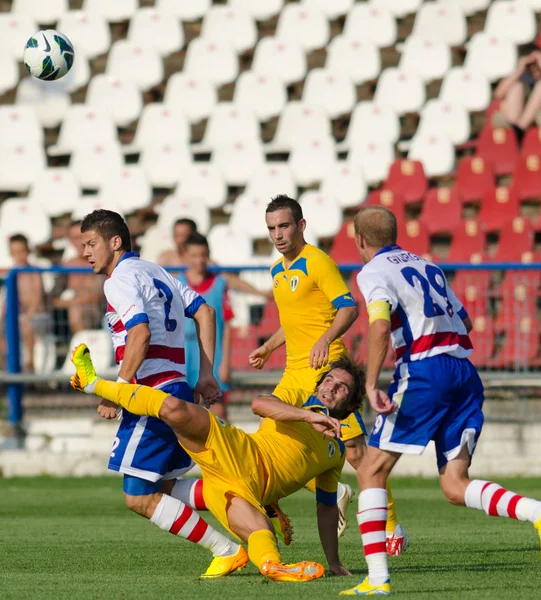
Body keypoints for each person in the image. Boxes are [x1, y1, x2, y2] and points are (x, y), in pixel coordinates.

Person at [341, 206, 541, 596]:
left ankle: (376, 580)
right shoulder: (429, 266)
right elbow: (466, 323)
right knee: (453, 485)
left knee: (370, 468)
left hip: (426, 374)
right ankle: (539, 512)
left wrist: (372, 382)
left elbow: (379, 325)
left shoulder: (374, 271)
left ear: (359, 239)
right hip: (463, 372)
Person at [71, 344, 362, 581]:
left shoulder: (335, 454)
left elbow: (325, 507)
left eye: (342, 388)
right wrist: (309, 415)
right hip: (236, 449)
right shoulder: (300, 401)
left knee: (261, 532)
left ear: (350, 406)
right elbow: (260, 404)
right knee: (173, 408)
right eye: (328, 380)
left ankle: (274, 568)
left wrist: (334, 562)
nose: (331, 388)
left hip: (241, 490)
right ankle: (93, 383)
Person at [78, 209, 242, 578]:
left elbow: (139, 334)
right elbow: (206, 312)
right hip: (179, 388)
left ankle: (226, 549)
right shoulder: (157, 271)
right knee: (165, 486)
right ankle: (243, 493)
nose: (85, 253)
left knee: (138, 496)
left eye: (91, 244)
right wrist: (205, 374)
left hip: (152, 397)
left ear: (115, 242)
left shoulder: (118, 280)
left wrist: (116, 392)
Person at [248, 195, 408, 554]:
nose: (278, 234)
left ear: (301, 226)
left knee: (357, 455)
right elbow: (294, 322)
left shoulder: (317, 262)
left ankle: (392, 528)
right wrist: (270, 346)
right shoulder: (277, 271)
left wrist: (325, 339)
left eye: (284, 226)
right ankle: (328, 493)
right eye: (272, 228)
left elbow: (349, 309)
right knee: (266, 442)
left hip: (328, 374)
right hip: (293, 373)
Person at [176, 233, 232, 421]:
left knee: (219, 412)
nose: (199, 260)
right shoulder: (176, 284)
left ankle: (227, 450)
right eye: (194, 255)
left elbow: (228, 326)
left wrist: (225, 362)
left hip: (212, 359)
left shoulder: (219, 284)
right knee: (187, 413)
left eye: (203, 255)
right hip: (185, 358)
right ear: (186, 256)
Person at [157, 218, 272, 301]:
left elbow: (231, 281)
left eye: (184, 236)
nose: (180, 240)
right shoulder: (166, 258)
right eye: (177, 235)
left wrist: (259, 293)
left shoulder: (206, 263)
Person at [0, 234, 51, 372]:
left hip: (39, 316)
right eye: (15, 252)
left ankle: (30, 365)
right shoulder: (12, 274)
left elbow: (37, 296)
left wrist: (28, 317)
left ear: (28, 251)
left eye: (22, 251)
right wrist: (0, 320)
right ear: (11, 254)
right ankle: (12, 358)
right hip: (24, 316)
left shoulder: (34, 271)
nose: (19, 255)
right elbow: (7, 300)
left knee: (26, 326)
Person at [493, 45, 541, 141]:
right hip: (521, 115)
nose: (533, 68)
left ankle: (518, 130)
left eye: (535, 63)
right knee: (516, 86)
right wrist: (519, 69)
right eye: (530, 65)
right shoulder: (523, 75)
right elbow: (498, 94)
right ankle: (513, 127)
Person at [52, 221, 104, 335]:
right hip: (67, 317)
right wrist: (70, 303)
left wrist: (71, 303)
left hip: (98, 315)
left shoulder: (101, 263)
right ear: (70, 240)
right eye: (75, 238)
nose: (80, 242)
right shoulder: (68, 265)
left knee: (77, 311)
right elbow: (53, 297)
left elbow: (96, 297)